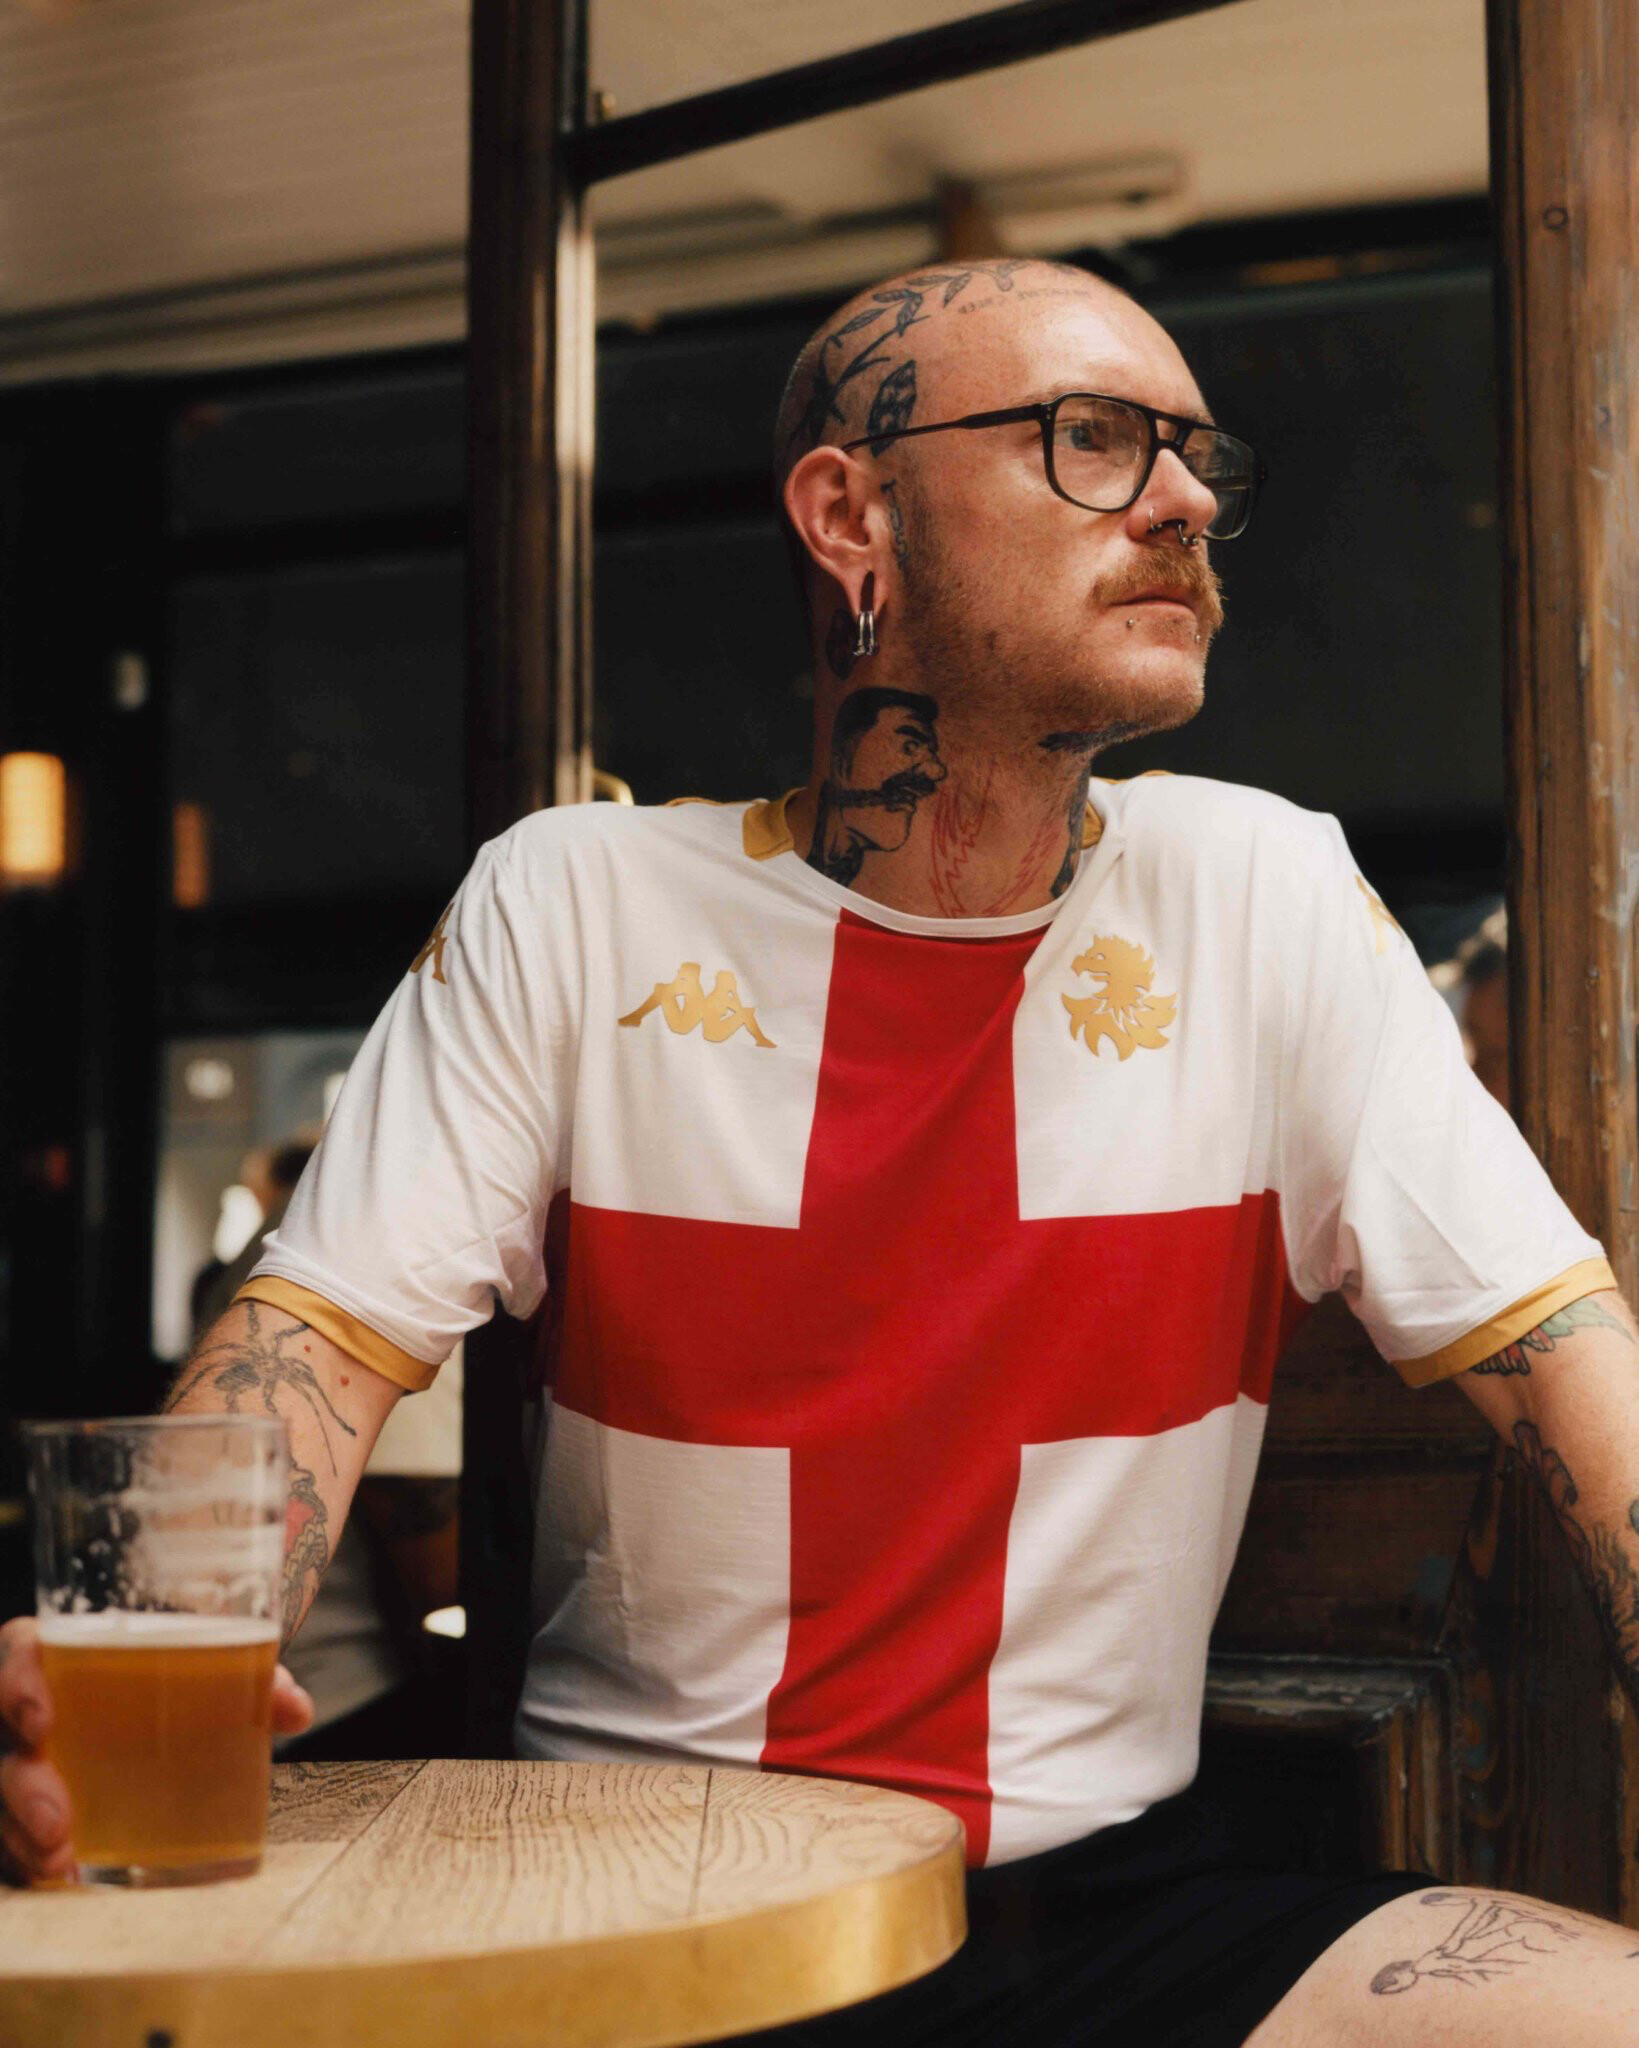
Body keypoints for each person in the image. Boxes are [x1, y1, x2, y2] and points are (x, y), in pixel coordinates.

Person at [5, 259, 1639, 2047]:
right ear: (850, 514)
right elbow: (310, 1358)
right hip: (643, 1907)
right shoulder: (577, 907)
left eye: (1196, 455)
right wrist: (119, 1683)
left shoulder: (1268, 894)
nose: (1182, 499)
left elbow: (1575, 1372)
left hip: (1110, 1917)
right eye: (1092, 438)